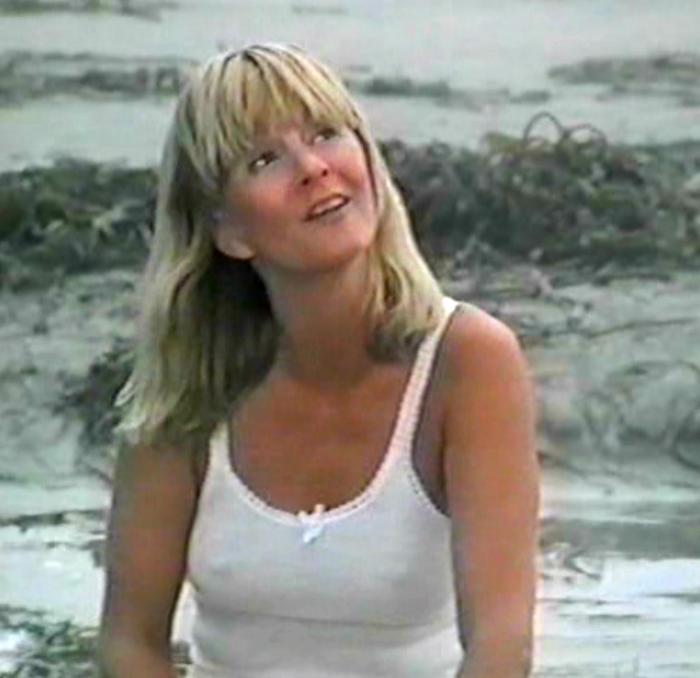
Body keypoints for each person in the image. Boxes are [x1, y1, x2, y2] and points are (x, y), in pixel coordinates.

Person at [97, 43, 540, 678]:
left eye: (326, 134)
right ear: (228, 231)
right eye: (264, 159)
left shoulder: (466, 361)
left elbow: (501, 648)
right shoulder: (189, 386)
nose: (313, 168)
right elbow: (129, 644)